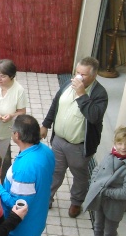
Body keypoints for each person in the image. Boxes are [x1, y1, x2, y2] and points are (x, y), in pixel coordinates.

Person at [40, 56, 108, 218]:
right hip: (59, 141)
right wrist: (46, 124)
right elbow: (56, 104)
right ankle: (46, 199)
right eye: (77, 72)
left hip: (79, 146)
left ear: (94, 75)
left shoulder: (99, 94)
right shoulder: (67, 85)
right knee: (55, 171)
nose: (78, 77)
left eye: (83, 75)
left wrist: (81, 94)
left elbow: (94, 117)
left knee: (79, 175)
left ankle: (76, 202)